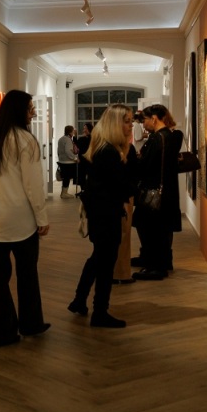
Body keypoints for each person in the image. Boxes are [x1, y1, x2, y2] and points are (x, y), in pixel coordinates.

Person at [0, 90, 51, 347]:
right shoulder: (26, 141)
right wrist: (42, 217)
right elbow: (33, 185)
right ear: (18, 110)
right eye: (30, 108)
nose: (33, 113)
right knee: (27, 274)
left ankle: (0, 332)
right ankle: (31, 323)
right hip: (21, 220)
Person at [68, 105, 136, 328]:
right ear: (115, 124)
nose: (131, 125)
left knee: (99, 258)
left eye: (131, 120)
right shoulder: (108, 152)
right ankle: (99, 312)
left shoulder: (106, 148)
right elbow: (122, 185)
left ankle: (80, 300)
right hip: (105, 213)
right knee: (105, 263)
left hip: (102, 212)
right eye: (127, 121)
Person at [131, 104, 183, 281]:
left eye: (144, 120)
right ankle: (161, 261)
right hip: (167, 189)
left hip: (153, 190)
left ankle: (155, 266)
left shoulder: (156, 138)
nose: (143, 124)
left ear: (153, 118)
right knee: (162, 228)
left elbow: (146, 165)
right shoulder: (171, 135)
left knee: (150, 227)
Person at [56, 125, 78, 198]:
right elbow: (68, 151)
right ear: (70, 132)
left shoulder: (61, 139)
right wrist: (75, 158)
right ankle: (64, 193)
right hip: (68, 162)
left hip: (62, 161)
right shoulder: (68, 140)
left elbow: (58, 150)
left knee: (65, 177)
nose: (73, 132)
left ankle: (64, 192)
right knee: (67, 177)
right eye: (73, 131)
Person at [74, 122, 93, 193]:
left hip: (89, 159)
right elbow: (77, 146)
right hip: (82, 159)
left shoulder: (91, 138)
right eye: (84, 128)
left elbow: (77, 145)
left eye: (85, 128)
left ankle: (87, 190)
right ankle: (83, 190)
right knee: (82, 175)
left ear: (89, 129)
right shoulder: (82, 138)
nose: (83, 130)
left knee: (89, 175)